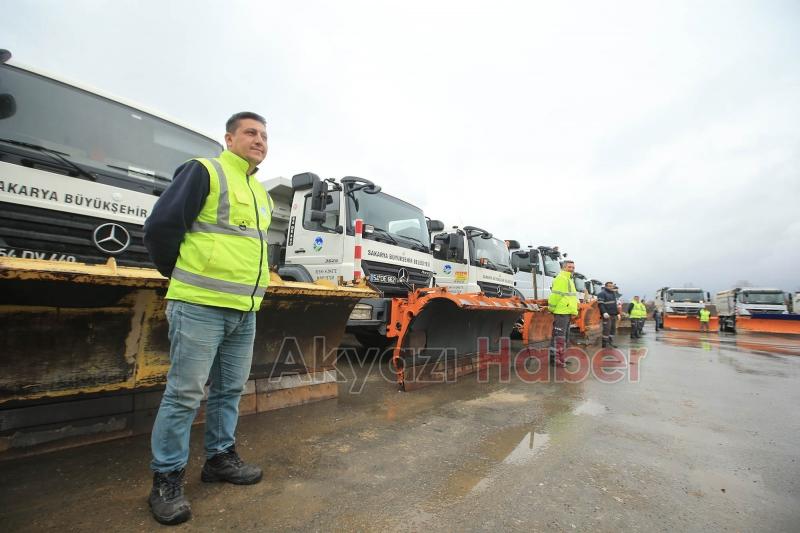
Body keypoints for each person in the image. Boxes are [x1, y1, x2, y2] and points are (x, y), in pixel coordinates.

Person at [143, 112, 272, 526]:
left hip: (244, 310)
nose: (259, 140)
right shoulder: (205, 171)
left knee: (229, 390)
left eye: (264, 135)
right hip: (199, 304)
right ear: (229, 139)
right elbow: (161, 228)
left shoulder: (261, 192)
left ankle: (219, 459)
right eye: (250, 132)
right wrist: (180, 275)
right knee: (184, 394)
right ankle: (166, 479)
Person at [547, 260, 580, 367]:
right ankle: (556, 359)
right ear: (563, 267)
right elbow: (555, 295)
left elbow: (571, 297)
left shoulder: (569, 279)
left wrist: (574, 310)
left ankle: (559, 358)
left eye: (573, 267)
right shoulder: (561, 278)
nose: (572, 269)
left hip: (566, 312)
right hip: (561, 312)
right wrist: (552, 308)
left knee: (563, 337)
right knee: (559, 337)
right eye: (569, 267)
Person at [598, 281, 619, 348]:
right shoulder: (602, 294)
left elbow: (614, 305)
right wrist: (604, 312)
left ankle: (610, 342)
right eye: (609, 286)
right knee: (607, 329)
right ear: (606, 286)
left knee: (613, 329)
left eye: (612, 286)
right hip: (607, 315)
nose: (611, 287)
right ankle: (605, 343)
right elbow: (600, 304)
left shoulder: (613, 294)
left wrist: (617, 313)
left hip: (613, 314)